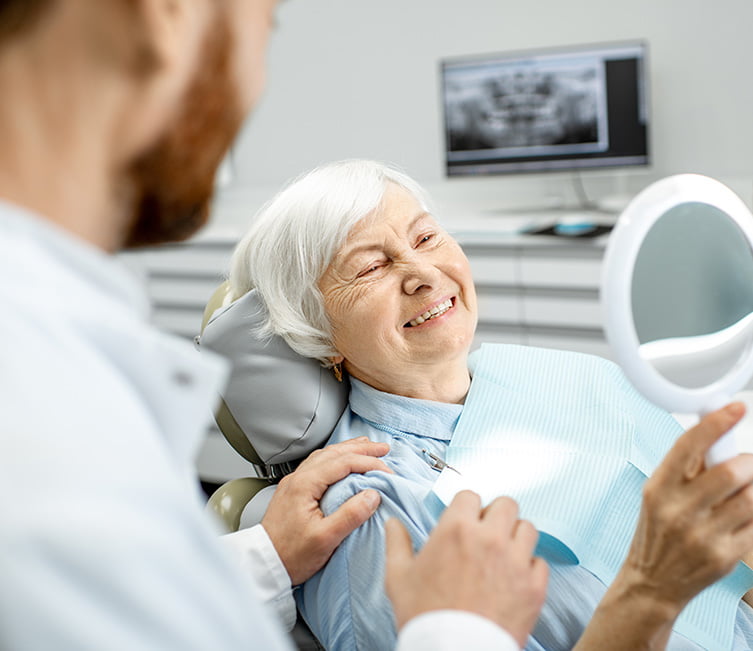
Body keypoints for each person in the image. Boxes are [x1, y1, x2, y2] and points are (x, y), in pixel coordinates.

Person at [0, 2, 548, 650]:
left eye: (427, 236)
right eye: (266, 22)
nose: (423, 273)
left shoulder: (56, 374)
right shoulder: (42, 432)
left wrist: (266, 557)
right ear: (165, 15)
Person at [228, 158, 753, 651]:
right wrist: (653, 590)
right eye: (370, 268)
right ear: (319, 335)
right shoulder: (370, 510)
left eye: (427, 237)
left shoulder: (566, 372)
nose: (424, 273)